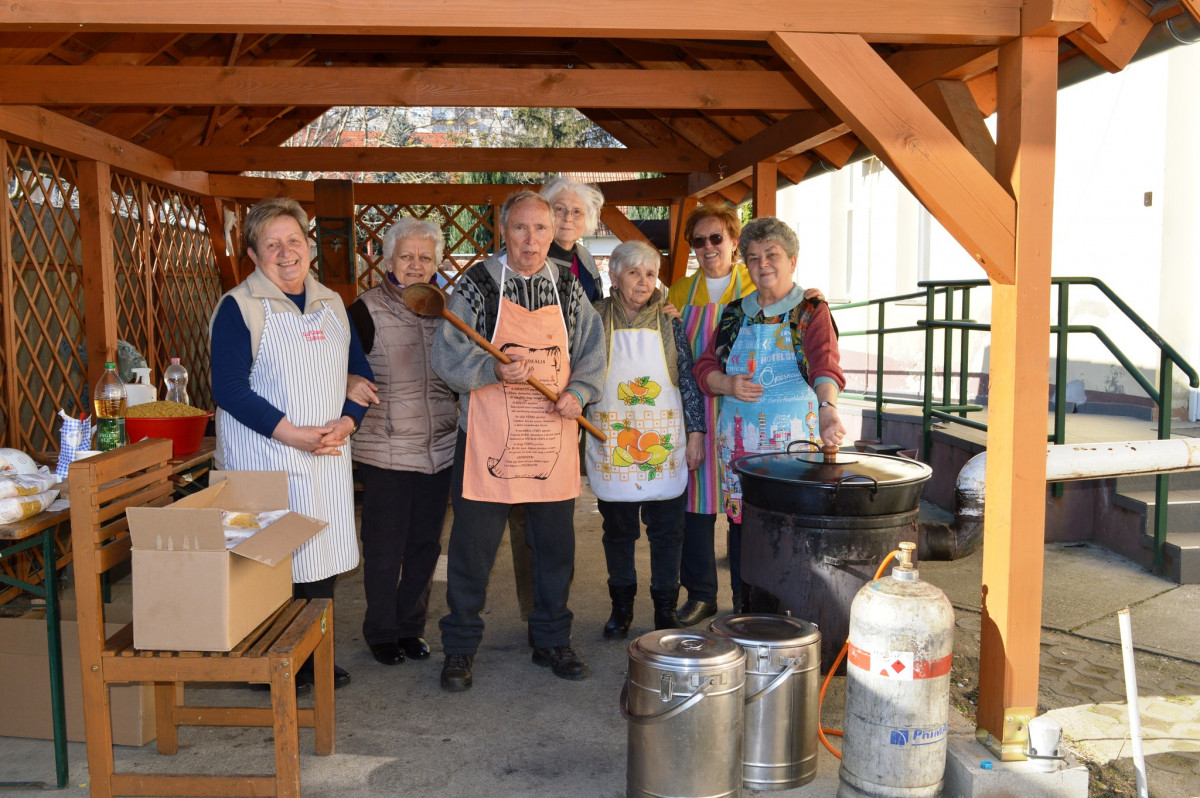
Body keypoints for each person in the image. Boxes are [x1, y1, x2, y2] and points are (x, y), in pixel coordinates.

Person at [430, 190, 606, 692]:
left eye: (542, 229)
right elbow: (448, 353)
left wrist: (579, 392)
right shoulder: (478, 284)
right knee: (472, 550)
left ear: (554, 234)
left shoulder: (568, 285)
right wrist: (490, 368)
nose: (532, 240)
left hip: (550, 434)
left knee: (554, 548)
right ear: (503, 231)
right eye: (521, 229)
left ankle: (552, 639)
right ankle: (460, 648)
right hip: (487, 438)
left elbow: (592, 349)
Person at [210, 197, 376, 690]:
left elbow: (360, 375)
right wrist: (293, 435)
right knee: (267, 564)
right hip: (265, 457)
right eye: (272, 244)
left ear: (309, 246)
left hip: (323, 455)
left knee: (317, 561)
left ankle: (312, 655)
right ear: (254, 255)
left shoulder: (331, 305)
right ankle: (268, 663)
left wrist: (348, 423)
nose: (286, 253)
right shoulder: (239, 308)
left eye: (294, 241)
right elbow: (230, 389)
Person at [693, 217, 846, 608]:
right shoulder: (733, 314)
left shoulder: (811, 310)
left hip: (795, 445)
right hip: (740, 447)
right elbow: (704, 368)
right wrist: (727, 384)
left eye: (772, 255)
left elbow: (824, 365)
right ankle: (745, 611)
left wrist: (828, 410)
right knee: (743, 528)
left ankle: (791, 613)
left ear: (792, 261)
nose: (763, 264)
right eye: (754, 257)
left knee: (793, 527)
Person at [347, 218, 456, 667]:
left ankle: (412, 628)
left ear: (437, 263)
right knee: (385, 546)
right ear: (388, 260)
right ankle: (382, 631)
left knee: (425, 545)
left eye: (425, 257)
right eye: (406, 256)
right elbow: (342, 371)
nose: (415, 265)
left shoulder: (448, 311)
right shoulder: (365, 310)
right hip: (386, 446)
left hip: (440, 449)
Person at [584, 241, 706, 638]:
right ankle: (621, 610)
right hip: (613, 441)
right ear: (614, 277)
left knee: (667, 532)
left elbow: (687, 380)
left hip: (664, 443)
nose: (643, 281)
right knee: (618, 531)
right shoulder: (593, 317)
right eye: (634, 273)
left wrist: (696, 434)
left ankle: (664, 609)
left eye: (650, 274)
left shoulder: (670, 322)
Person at [506, 177, 609, 625]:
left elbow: (596, 323)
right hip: (526, 399)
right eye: (559, 210)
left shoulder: (584, 262)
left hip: (566, 399)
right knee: (524, 508)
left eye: (575, 212)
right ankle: (535, 606)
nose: (566, 219)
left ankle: (553, 604)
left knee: (556, 509)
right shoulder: (522, 262)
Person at [665, 202, 756, 624]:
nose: (707, 247)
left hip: (745, 410)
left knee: (743, 509)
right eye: (698, 241)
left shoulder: (756, 287)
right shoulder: (680, 293)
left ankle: (746, 596)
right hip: (698, 410)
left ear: (734, 242)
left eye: (716, 238)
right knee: (695, 509)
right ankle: (701, 594)